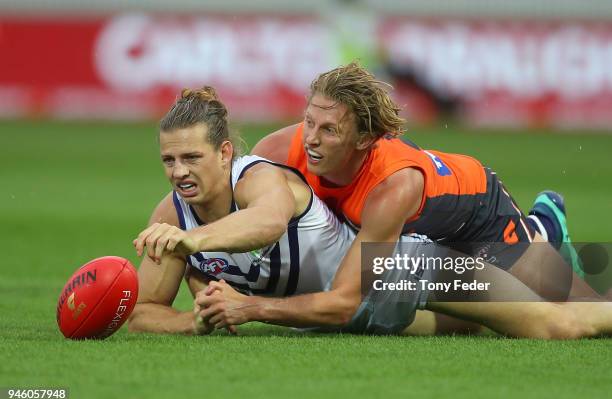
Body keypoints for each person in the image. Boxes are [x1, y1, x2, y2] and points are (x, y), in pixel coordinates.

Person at [130, 85, 612, 339]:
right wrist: (192, 320)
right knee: (472, 325)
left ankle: (539, 232)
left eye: (191, 158)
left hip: (401, 269)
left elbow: (269, 224)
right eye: (169, 161)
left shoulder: (260, 179)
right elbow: (143, 313)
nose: (178, 172)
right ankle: (542, 242)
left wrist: (244, 302)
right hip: (344, 307)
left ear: (225, 154)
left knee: (560, 321)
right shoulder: (174, 214)